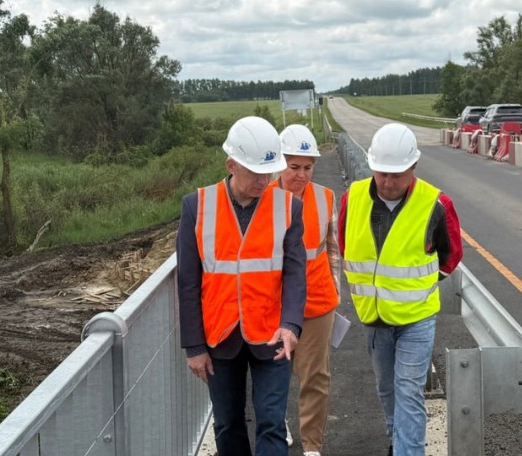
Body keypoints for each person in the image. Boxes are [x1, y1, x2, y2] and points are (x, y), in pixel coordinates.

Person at [177, 116, 307, 456]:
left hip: (272, 335)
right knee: (228, 424)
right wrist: (194, 346)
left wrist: (291, 325)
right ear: (231, 164)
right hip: (219, 336)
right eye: (255, 172)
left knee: (271, 423)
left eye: (270, 172)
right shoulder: (197, 206)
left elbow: (295, 273)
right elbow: (188, 282)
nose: (265, 180)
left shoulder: (289, 207)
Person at [337, 123, 463, 456]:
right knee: (387, 389)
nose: (388, 183)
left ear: (414, 168)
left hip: (416, 318)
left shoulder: (436, 204)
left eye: (397, 174)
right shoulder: (353, 199)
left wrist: (415, 286)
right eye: (382, 173)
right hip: (374, 318)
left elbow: (450, 258)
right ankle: (398, 441)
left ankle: (409, 451)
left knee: (408, 390)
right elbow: (345, 244)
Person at [268, 124, 341, 456]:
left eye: (307, 167)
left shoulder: (325, 197)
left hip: (317, 302)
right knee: (274, 375)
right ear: (280, 164)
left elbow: (332, 248)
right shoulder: (264, 199)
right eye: (293, 166)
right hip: (272, 304)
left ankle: (312, 447)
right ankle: (277, 425)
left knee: (314, 376)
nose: (301, 174)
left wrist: (335, 284)